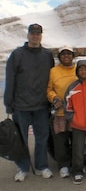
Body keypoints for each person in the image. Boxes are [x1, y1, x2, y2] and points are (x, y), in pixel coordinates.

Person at [4, 23, 55, 182]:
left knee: (42, 138)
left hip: (41, 105)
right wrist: (8, 103)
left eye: (38, 33)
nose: (35, 36)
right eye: (32, 33)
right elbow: (10, 79)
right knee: (21, 140)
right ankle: (23, 167)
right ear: (28, 35)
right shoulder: (17, 55)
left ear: (41, 35)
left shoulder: (47, 55)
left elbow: (51, 80)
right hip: (21, 105)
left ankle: (41, 166)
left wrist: (52, 100)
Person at [46, 46, 77, 178]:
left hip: (76, 112)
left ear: (72, 56)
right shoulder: (53, 71)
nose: (66, 56)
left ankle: (76, 165)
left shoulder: (78, 69)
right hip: (60, 112)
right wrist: (54, 98)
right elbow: (49, 89)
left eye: (69, 54)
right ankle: (63, 166)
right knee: (60, 141)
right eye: (63, 54)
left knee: (77, 140)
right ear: (59, 57)